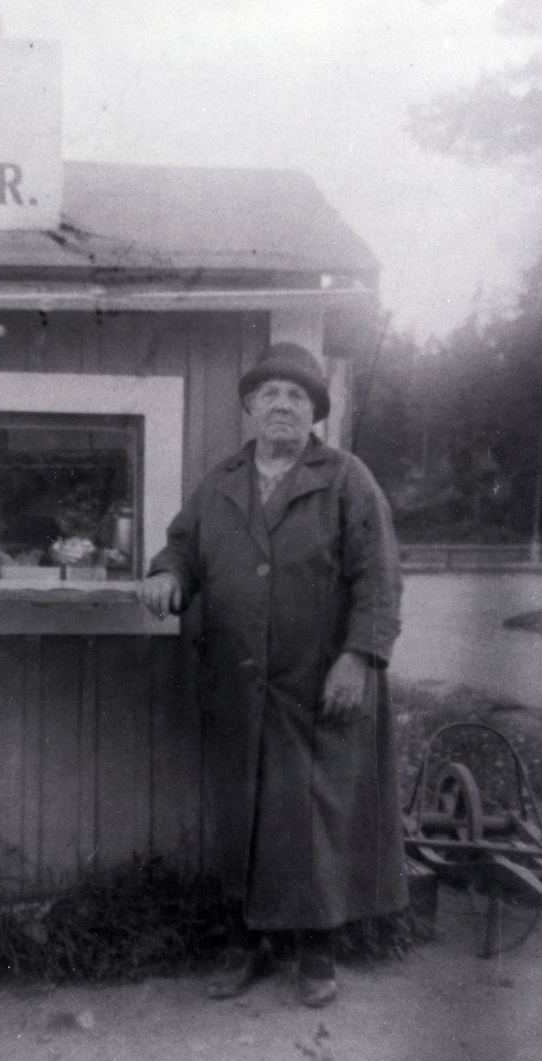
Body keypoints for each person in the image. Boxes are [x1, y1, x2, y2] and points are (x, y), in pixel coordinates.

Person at [138, 342, 407, 1007]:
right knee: (244, 816)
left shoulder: (345, 479)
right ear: (250, 409)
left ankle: (316, 951)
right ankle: (244, 944)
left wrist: (358, 658)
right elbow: (182, 547)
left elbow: (379, 577)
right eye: (270, 395)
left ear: (313, 412)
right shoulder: (221, 481)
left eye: (296, 396)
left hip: (317, 685)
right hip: (237, 684)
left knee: (312, 819)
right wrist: (166, 574)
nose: (282, 405)